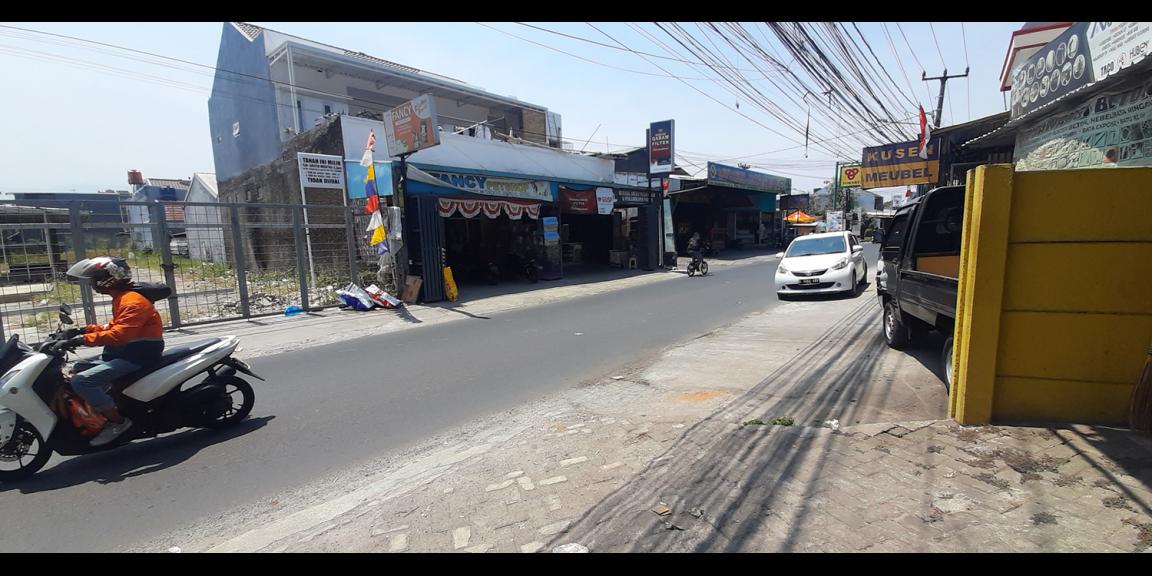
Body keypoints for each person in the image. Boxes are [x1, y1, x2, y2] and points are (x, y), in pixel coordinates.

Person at [61, 257, 164, 446]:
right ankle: (105, 407)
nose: (92, 283)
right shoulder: (122, 298)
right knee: (78, 368)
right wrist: (82, 330)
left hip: (136, 357)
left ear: (108, 279)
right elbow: (115, 326)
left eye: (95, 278)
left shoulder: (132, 301)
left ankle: (118, 422)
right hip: (125, 353)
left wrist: (82, 340)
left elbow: (119, 335)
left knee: (81, 381)